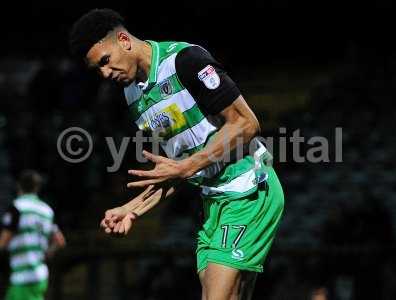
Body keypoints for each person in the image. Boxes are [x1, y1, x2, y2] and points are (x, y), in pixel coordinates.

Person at [70, 8, 284, 299]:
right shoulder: (133, 95)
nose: (105, 73)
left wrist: (186, 168)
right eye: (97, 69)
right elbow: (177, 167)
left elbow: (246, 123)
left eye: (105, 61)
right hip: (213, 202)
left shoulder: (186, 61)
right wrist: (132, 209)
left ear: (123, 40)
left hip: (249, 189)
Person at [0, 170, 66, 300]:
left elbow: (3, 242)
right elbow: (60, 241)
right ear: (37, 187)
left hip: (23, 276)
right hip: (39, 275)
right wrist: (45, 253)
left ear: (19, 186)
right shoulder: (46, 210)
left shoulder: (17, 208)